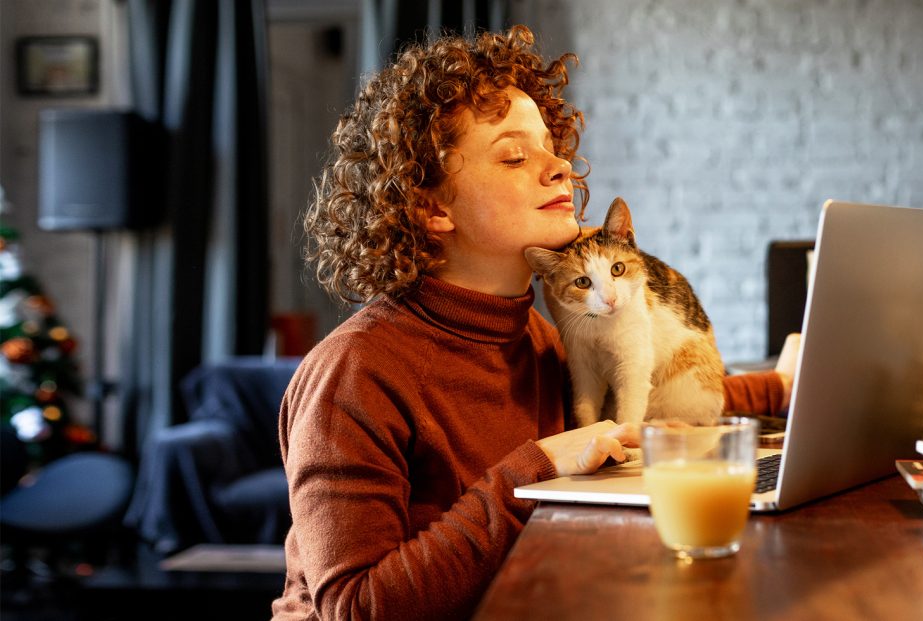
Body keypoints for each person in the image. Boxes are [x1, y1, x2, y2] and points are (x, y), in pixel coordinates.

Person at [272, 25, 796, 621]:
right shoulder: (354, 374)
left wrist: (782, 388)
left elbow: (643, 395)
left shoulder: (539, 335)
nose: (561, 168)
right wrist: (536, 467)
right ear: (430, 206)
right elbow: (356, 608)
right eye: (515, 155)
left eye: (553, 146)